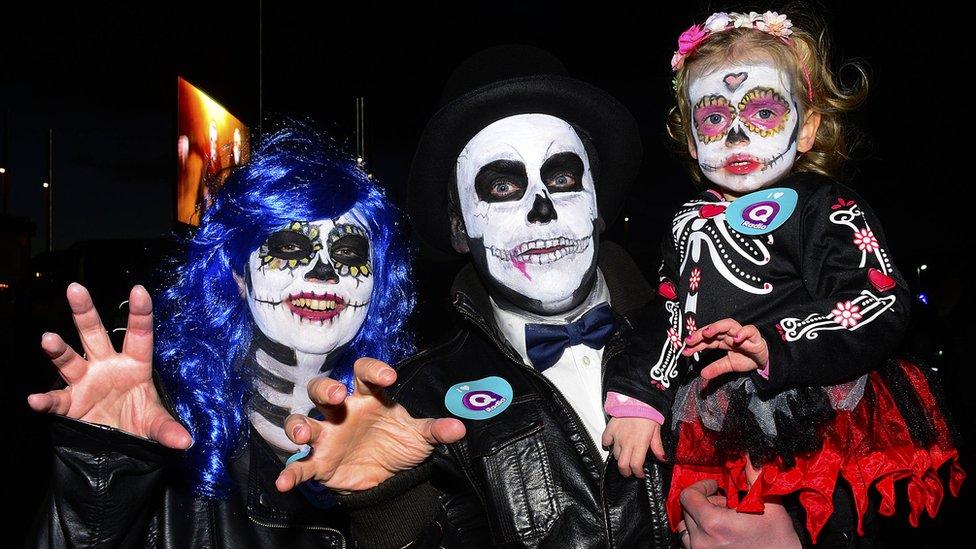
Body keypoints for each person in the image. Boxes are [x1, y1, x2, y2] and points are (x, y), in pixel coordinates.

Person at [273, 46, 812, 548]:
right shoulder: (420, 399)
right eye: (503, 187)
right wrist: (380, 501)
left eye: (562, 177)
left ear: (598, 206)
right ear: (462, 230)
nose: (543, 210)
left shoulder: (729, 333)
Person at [600, 10, 965, 545]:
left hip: (815, 416)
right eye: (714, 119)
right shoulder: (686, 221)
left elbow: (879, 299)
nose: (738, 133)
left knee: (825, 525)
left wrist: (777, 344)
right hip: (716, 419)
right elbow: (669, 311)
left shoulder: (824, 206)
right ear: (693, 141)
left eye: (764, 111)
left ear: (808, 128)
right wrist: (638, 399)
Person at [27, 126, 416, 547]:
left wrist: (395, 503)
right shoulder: (166, 430)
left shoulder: (413, 422)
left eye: (348, 253)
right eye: (289, 248)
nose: (323, 273)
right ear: (238, 276)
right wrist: (104, 466)